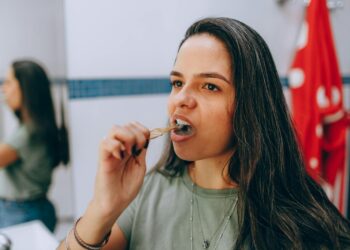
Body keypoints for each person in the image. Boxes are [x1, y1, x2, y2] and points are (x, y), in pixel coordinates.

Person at [59, 17, 350, 250]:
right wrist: (102, 209)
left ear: (251, 105)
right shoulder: (145, 193)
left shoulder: (300, 221)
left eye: (209, 86)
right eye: (177, 83)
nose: (180, 99)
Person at [0, 60, 69, 232]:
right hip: (35, 209)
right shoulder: (39, 127)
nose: (3, 89)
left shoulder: (27, 134)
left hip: (20, 214)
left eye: (8, 82)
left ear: (24, 88)